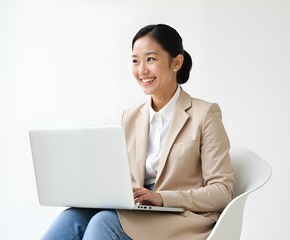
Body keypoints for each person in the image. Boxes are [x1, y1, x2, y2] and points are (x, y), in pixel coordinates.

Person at [41, 24, 234, 240]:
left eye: (150, 59)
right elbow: (112, 176)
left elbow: (222, 190)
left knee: (103, 223)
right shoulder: (128, 117)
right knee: (71, 218)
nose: (141, 70)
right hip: (137, 208)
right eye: (135, 61)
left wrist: (162, 198)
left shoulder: (205, 114)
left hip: (180, 217)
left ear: (176, 62)